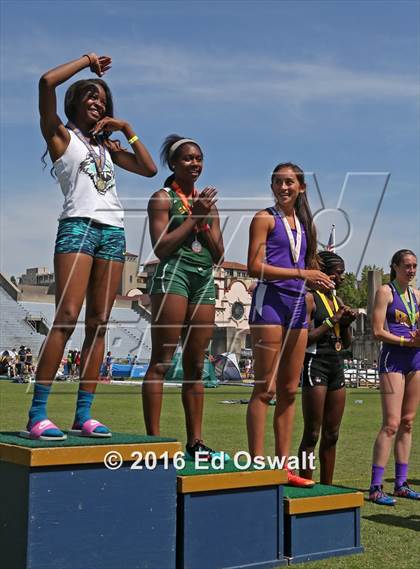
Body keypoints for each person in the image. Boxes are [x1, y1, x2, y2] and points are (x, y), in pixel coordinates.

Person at [20, 53, 157, 441]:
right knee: (66, 316)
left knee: (98, 325)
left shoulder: (108, 148)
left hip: (113, 232)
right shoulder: (60, 136)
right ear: (75, 102)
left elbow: (148, 169)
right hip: (78, 227)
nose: (98, 102)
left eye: (103, 99)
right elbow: (46, 82)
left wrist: (127, 128)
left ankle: (83, 414)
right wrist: (85, 62)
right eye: (91, 97)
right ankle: (38, 414)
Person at [246, 162, 335, 486]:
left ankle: (283, 468)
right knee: (265, 389)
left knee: (288, 391)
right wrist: (303, 275)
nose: (283, 188)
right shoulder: (264, 218)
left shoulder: (306, 226)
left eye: (289, 183)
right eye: (278, 182)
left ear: (301, 187)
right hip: (269, 305)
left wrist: (320, 280)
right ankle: (257, 464)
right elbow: (254, 267)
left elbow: (306, 265)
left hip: (298, 307)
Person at [142, 134, 226, 460]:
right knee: (162, 361)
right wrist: (193, 217)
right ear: (174, 164)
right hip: (173, 275)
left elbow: (218, 255)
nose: (195, 164)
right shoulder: (161, 198)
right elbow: (160, 247)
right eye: (188, 158)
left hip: (203, 278)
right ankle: (154, 441)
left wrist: (204, 220)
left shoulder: (208, 205)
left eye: (199, 159)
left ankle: (196, 442)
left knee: (196, 364)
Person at [297, 251, 357, 484]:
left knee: (332, 434)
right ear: (327, 273)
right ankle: (305, 485)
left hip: (336, 365)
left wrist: (347, 324)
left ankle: (327, 487)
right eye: (339, 273)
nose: (342, 278)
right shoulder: (310, 298)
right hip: (315, 364)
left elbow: (347, 343)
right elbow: (304, 340)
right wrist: (333, 320)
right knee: (312, 433)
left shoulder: (336, 300)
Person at [369, 249, 420, 504]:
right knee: (391, 423)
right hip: (393, 359)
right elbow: (377, 331)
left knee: (408, 422)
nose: (411, 271)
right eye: (407, 266)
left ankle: (401, 483)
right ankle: (376, 487)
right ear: (395, 267)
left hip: (415, 359)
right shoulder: (385, 292)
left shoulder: (417, 295)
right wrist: (403, 341)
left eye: (415, 266)